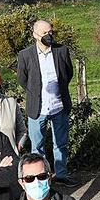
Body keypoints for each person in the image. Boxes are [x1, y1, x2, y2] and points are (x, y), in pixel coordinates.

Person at [17, 20, 74, 183]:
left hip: (59, 105)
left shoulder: (61, 50)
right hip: (37, 108)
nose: (48, 36)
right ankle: (41, 178)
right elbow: (22, 79)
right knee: (37, 146)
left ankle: (61, 174)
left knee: (61, 143)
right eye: (44, 33)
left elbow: (68, 73)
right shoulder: (25, 55)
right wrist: (35, 91)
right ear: (35, 35)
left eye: (50, 32)